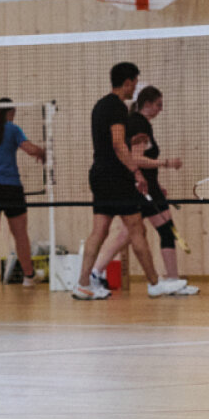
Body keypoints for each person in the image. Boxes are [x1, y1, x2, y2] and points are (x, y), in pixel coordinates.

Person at [100, 87, 198, 298]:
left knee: (131, 233)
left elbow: (141, 160)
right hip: (142, 189)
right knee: (156, 231)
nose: (160, 109)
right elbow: (136, 159)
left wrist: (156, 183)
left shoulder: (138, 123)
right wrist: (166, 163)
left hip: (147, 187)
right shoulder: (139, 124)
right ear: (147, 104)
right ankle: (172, 281)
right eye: (158, 105)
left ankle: (94, 272)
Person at [74, 61, 150, 301]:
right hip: (115, 177)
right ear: (127, 83)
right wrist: (136, 172)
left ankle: (83, 284)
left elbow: (111, 141)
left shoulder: (100, 105)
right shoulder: (117, 107)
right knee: (137, 229)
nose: (135, 88)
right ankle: (156, 283)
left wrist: (129, 143)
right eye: (134, 83)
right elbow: (117, 144)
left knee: (99, 231)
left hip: (99, 174)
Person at [0, 96, 45, 289]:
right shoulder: (13, 129)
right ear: (10, 112)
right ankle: (28, 276)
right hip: (10, 187)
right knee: (20, 234)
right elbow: (29, 149)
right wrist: (43, 152)